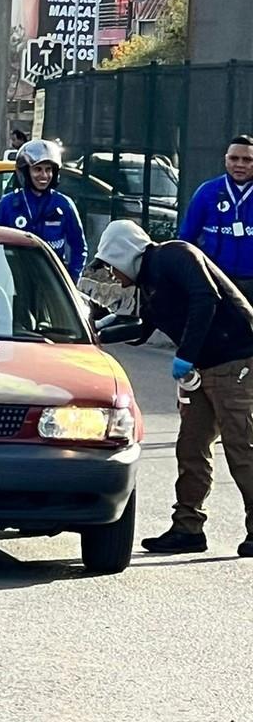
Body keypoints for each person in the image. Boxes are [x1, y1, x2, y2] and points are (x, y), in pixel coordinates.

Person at [93, 219, 253, 557]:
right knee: (191, 446)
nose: (111, 275)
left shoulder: (173, 255)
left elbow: (205, 297)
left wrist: (185, 355)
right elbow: (142, 327)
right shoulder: (149, 283)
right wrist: (96, 334)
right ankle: (187, 527)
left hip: (236, 357)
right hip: (201, 366)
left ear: (123, 254)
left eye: (110, 266)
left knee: (242, 446)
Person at [0, 139, 87, 280]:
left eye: (48, 170)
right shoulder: (7, 204)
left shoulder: (64, 204)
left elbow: (79, 247)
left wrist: (71, 279)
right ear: (25, 171)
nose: (44, 175)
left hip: (51, 281)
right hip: (14, 279)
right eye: (37, 169)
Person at [178, 135, 253, 299]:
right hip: (216, 279)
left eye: (247, 160)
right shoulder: (207, 192)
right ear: (226, 160)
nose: (239, 164)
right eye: (234, 158)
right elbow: (186, 238)